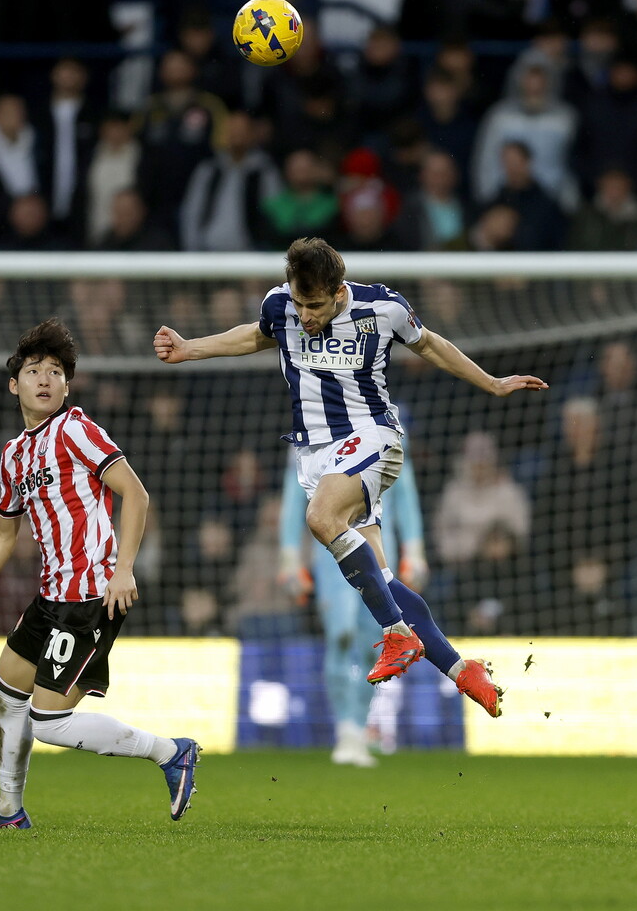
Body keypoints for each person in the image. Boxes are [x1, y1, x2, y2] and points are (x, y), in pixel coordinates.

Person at [154, 237, 549, 717]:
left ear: (339, 292)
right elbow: (256, 335)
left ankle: (397, 637)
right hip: (317, 456)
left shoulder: (382, 308)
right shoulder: (280, 306)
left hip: (371, 436)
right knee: (382, 582)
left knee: (320, 519)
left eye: (315, 306)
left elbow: (433, 346)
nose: (305, 317)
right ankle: (461, 668)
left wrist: (491, 382)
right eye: (299, 304)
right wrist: (189, 348)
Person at [0, 320, 199, 829]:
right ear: (14, 385)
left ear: (67, 385)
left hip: (93, 595)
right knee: (3, 690)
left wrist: (124, 570)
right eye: (34, 370)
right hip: (50, 596)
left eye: (55, 371)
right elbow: (2, 535)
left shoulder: (76, 429)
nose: (45, 379)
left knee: (49, 721)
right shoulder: (15, 456)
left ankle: (171, 752)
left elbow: (137, 494)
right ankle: (9, 810)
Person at [278, 435, 428, 766]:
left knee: (371, 642)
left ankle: (357, 730)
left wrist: (414, 551)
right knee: (340, 634)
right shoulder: (312, 430)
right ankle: (345, 729)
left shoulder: (384, 426)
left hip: (376, 548)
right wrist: (289, 557)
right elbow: (293, 499)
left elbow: (404, 494)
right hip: (330, 552)